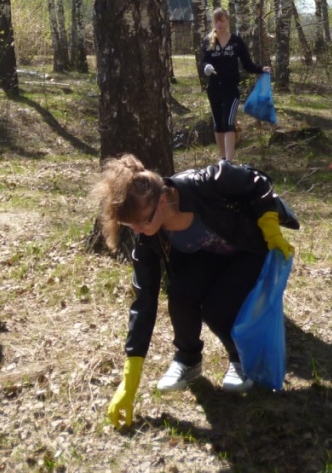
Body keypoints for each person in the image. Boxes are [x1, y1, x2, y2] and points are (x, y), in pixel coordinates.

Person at [95, 155, 295, 428]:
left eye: (143, 221)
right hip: (209, 257)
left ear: (162, 201)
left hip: (247, 249)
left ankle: (241, 361)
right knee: (179, 295)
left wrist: (270, 227)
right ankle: (188, 361)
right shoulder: (147, 239)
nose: (140, 231)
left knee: (217, 308)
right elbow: (144, 300)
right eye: (132, 227)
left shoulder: (204, 183)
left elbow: (256, 181)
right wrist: (130, 381)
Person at [199, 8, 270, 161]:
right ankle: (223, 158)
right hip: (214, 88)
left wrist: (260, 69)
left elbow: (247, 63)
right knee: (218, 124)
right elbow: (203, 60)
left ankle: (229, 161)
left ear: (228, 21)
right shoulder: (208, 40)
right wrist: (206, 67)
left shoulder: (236, 41)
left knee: (228, 122)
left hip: (231, 88)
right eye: (216, 21)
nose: (219, 24)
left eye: (222, 20)